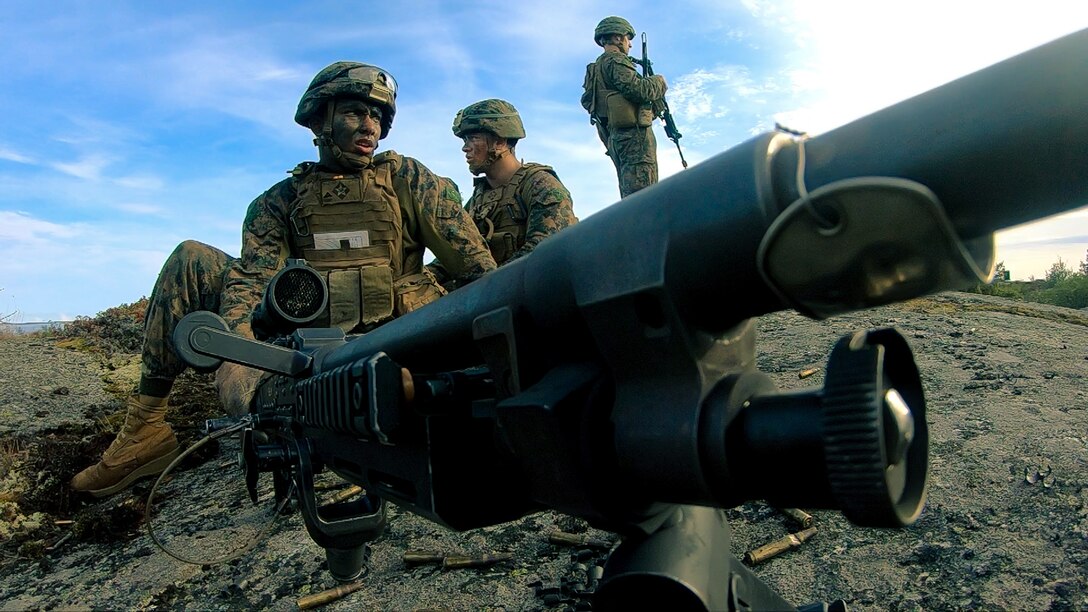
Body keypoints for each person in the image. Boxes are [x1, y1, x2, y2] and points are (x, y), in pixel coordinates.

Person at [70, 62, 497, 498]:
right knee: (191, 258)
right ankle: (146, 429)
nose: (369, 126)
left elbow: (478, 271)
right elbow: (249, 285)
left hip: (399, 344)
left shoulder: (411, 181)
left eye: (378, 117)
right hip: (309, 353)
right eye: (354, 112)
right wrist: (239, 358)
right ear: (319, 119)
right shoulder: (280, 201)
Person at [429, 99, 577, 284]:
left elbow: (546, 250)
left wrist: (488, 283)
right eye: (465, 140)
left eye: (473, 138)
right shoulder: (478, 200)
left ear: (499, 141)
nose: (465, 148)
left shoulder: (540, 184)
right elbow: (454, 251)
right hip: (495, 298)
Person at [581, 16, 668, 198]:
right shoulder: (615, 60)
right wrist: (659, 81)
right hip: (633, 138)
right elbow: (639, 90)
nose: (630, 45)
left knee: (631, 196)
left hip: (616, 138)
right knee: (645, 197)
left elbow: (588, 103)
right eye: (628, 39)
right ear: (619, 38)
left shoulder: (596, 69)